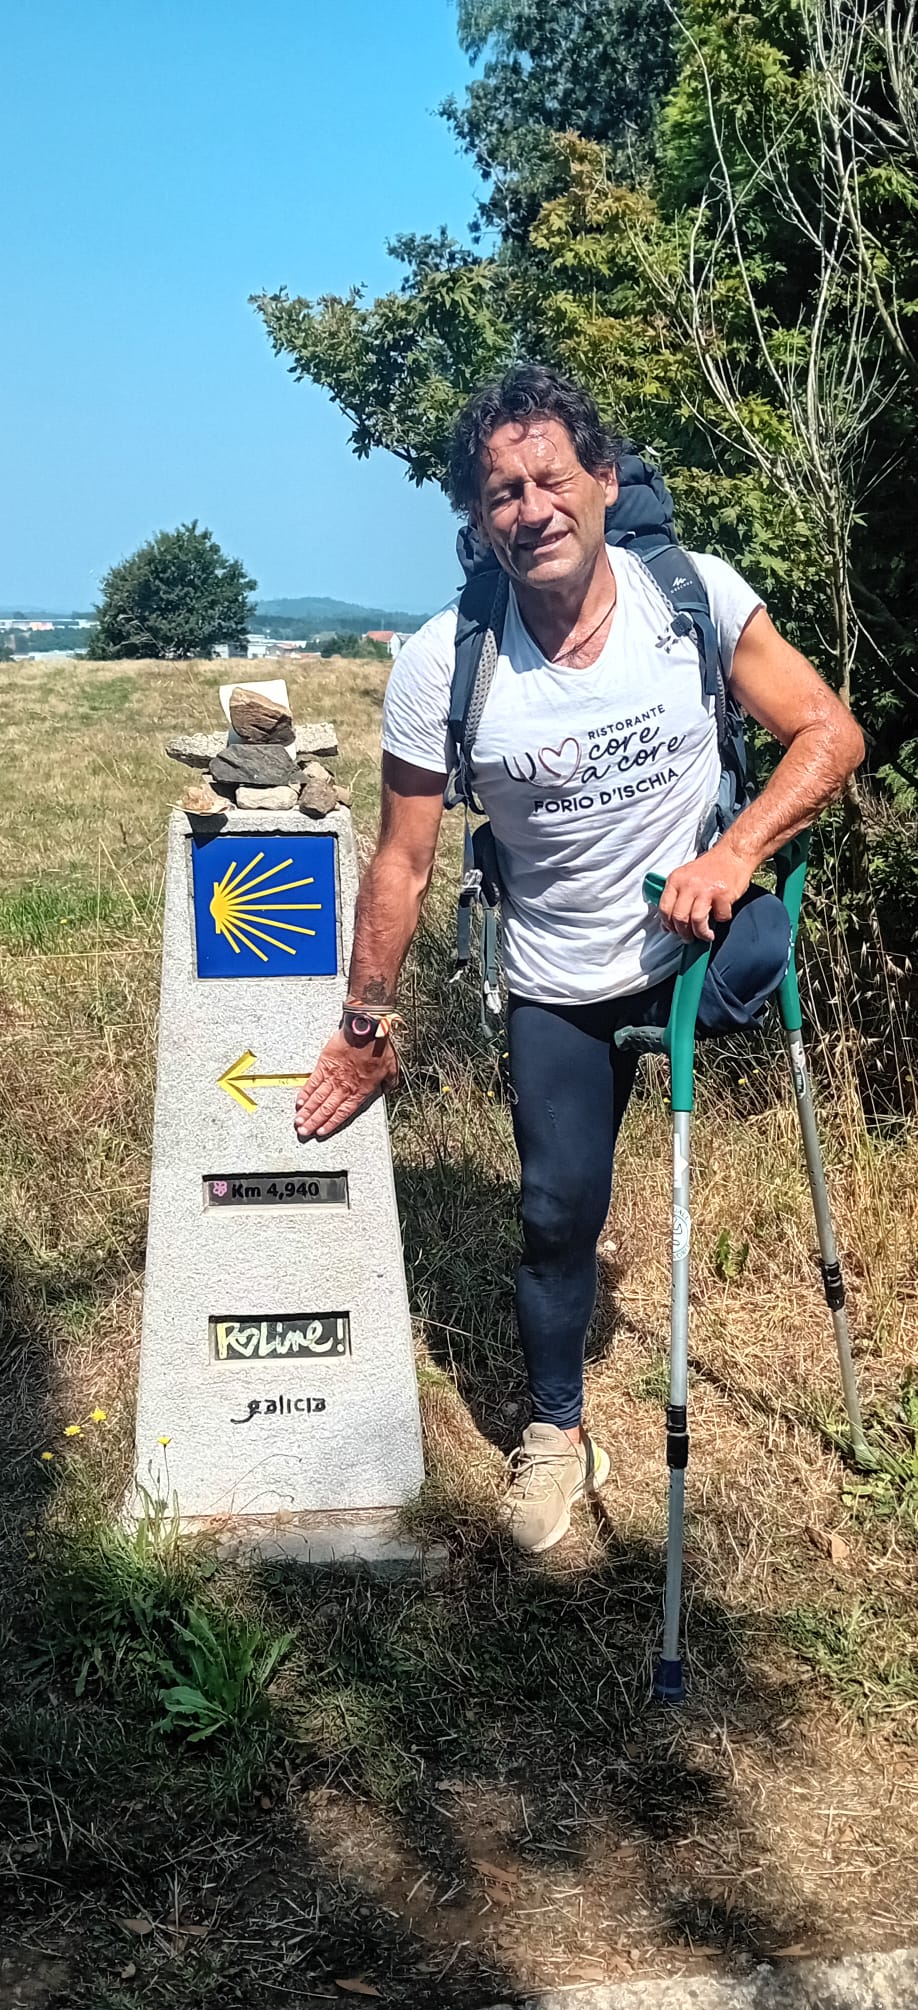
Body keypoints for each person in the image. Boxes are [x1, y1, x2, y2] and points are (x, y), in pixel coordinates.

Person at [294, 363, 864, 1553]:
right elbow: (399, 864)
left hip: (698, 931)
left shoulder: (689, 593)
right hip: (558, 975)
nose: (530, 508)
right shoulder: (448, 664)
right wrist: (364, 1027)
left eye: (551, 477)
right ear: (476, 520)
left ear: (603, 483)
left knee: (756, 966)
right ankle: (554, 1436)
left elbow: (828, 731)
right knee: (556, 1212)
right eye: (500, 492)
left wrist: (738, 851)